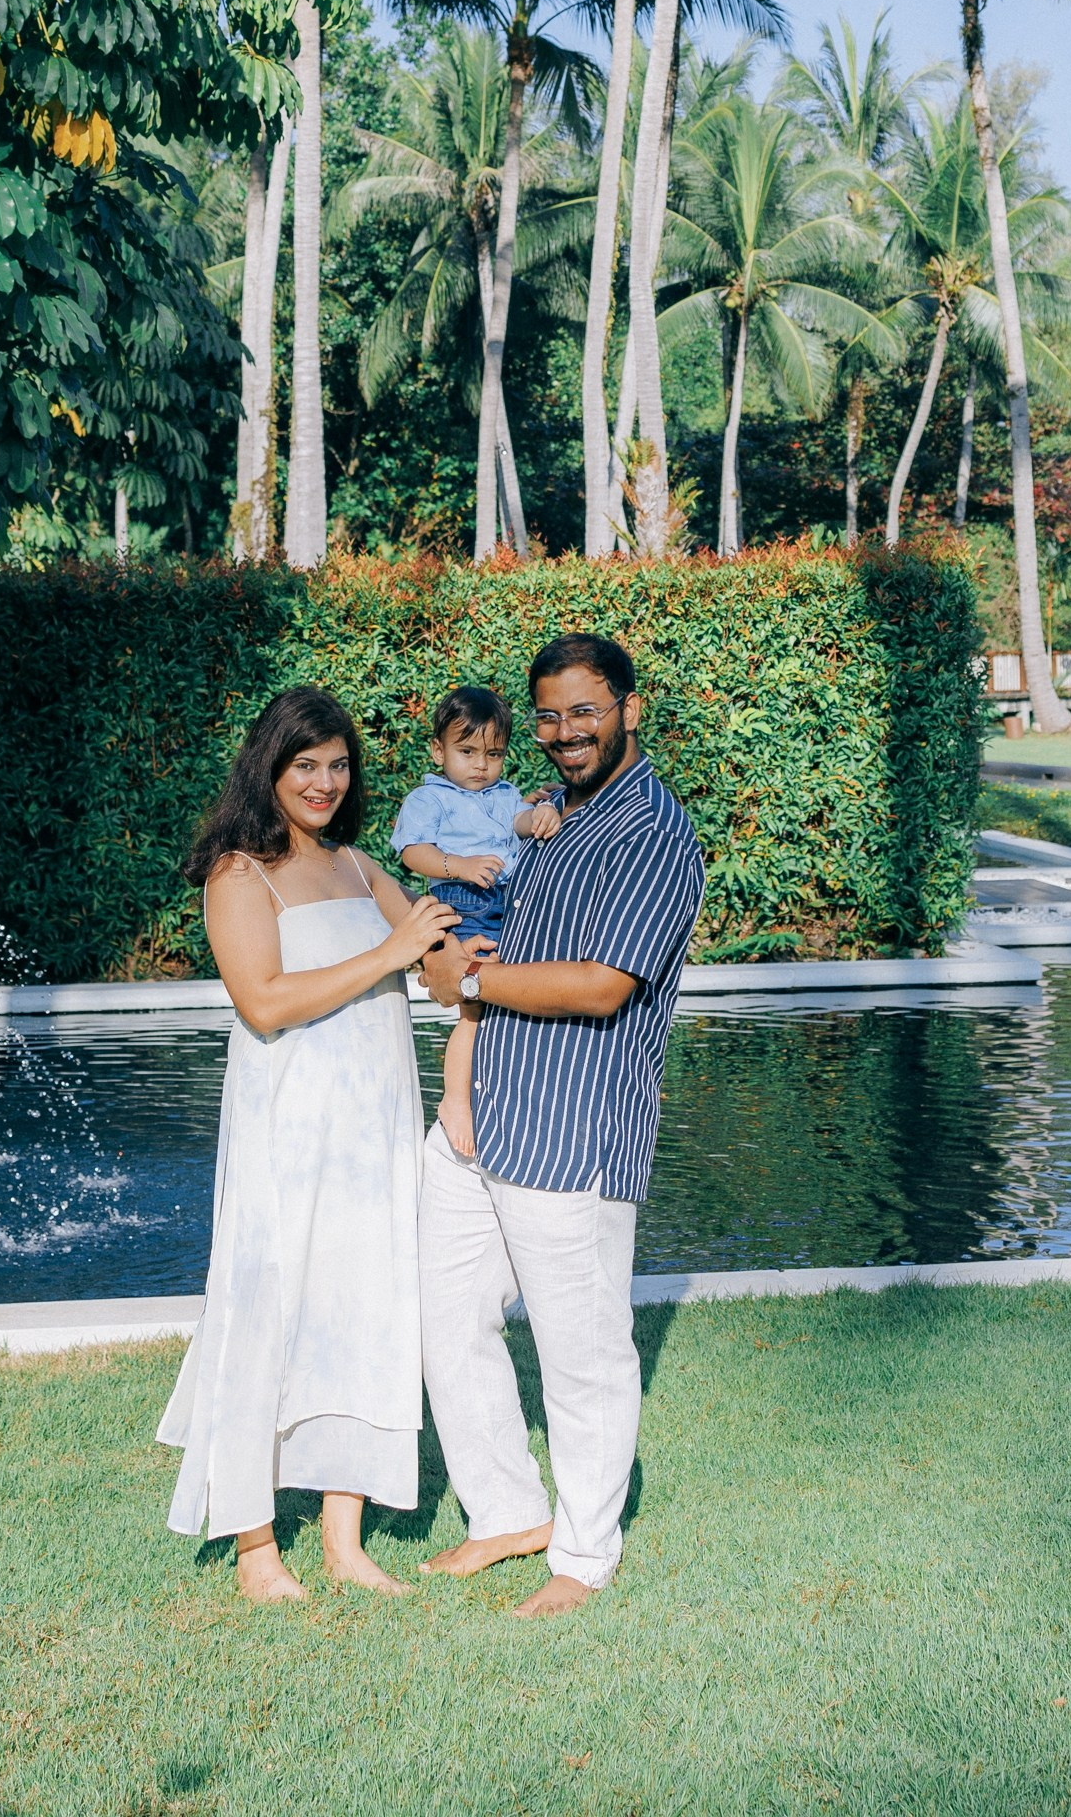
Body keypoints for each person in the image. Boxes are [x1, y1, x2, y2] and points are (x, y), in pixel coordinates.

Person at [416, 631, 704, 1618]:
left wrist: (476, 978)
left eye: (583, 710)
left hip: (568, 1131)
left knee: (581, 1359)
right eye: (546, 714)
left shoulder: (651, 836)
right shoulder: (555, 820)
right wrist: (468, 961)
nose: (563, 731)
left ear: (630, 707)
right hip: (481, 1117)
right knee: (443, 1317)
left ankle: (583, 1557)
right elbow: (534, 946)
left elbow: (599, 986)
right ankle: (504, 1512)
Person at [158, 686, 455, 1601]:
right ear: (270, 769)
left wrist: (467, 939)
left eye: (339, 765)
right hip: (288, 1132)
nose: (326, 782)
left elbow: (440, 972)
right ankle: (255, 1550)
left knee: (367, 1314)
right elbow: (267, 1001)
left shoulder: (364, 868)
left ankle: (343, 1539)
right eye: (306, 766)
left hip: (375, 1134)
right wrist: (394, 952)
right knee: (267, 1311)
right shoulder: (239, 875)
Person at [393, 683, 561, 1160]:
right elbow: (412, 853)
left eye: (493, 753)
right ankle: (455, 1100)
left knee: (517, 995)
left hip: (511, 905)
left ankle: (508, 1092)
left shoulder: (506, 794)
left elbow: (522, 823)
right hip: (463, 905)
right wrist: (457, 865)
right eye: (466, 751)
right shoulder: (430, 799)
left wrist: (544, 814)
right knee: (475, 1008)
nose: (480, 765)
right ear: (438, 750)